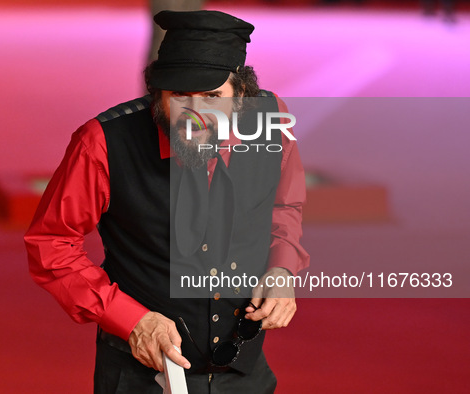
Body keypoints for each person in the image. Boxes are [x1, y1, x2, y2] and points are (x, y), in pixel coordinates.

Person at [25, 10, 309, 394]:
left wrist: (282, 271)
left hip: (247, 374)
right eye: (179, 95)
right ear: (157, 91)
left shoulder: (272, 119)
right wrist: (132, 320)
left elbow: (283, 208)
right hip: (140, 378)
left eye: (212, 97)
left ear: (242, 95)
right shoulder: (102, 143)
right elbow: (51, 242)